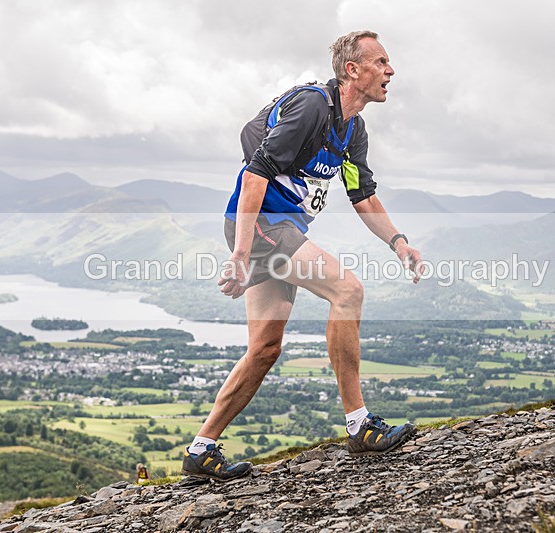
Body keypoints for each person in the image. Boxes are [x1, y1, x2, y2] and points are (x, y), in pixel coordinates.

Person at [182, 30, 424, 482]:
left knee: (264, 349)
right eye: (381, 62)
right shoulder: (313, 107)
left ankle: (201, 449)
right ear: (352, 69)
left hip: (279, 230)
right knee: (347, 290)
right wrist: (241, 252)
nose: (390, 71)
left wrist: (398, 242)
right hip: (262, 225)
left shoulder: (353, 129)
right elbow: (255, 175)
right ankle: (359, 424)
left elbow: (363, 195)